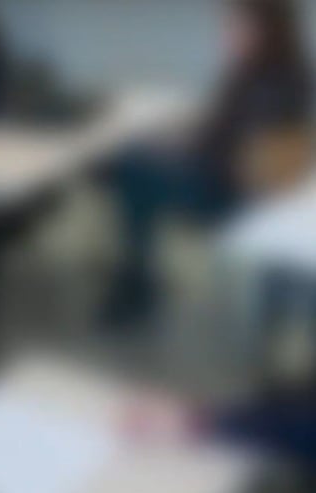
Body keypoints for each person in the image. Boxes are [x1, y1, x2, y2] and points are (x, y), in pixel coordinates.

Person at [102, 0, 313, 329]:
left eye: (235, 26)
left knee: (131, 169)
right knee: (135, 161)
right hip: (240, 183)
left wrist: (179, 148)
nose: (227, 34)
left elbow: (230, 155)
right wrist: (183, 141)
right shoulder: (284, 72)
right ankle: (138, 275)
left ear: (264, 30)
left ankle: (138, 284)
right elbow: (223, 133)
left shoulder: (262, 80)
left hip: (232, 197)